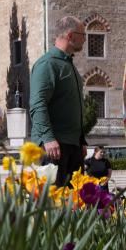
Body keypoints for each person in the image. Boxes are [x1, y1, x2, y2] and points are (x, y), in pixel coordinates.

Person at [30, 16, 87, 186]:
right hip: (53, 147)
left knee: (75, 204)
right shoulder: (47, 64)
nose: (84, 39)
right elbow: (38, 103)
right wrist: (48, 138)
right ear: (70, 35)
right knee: (53, 205)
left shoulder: (68, 64)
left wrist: (80, 141)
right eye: (82, 35)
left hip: (72, 146)